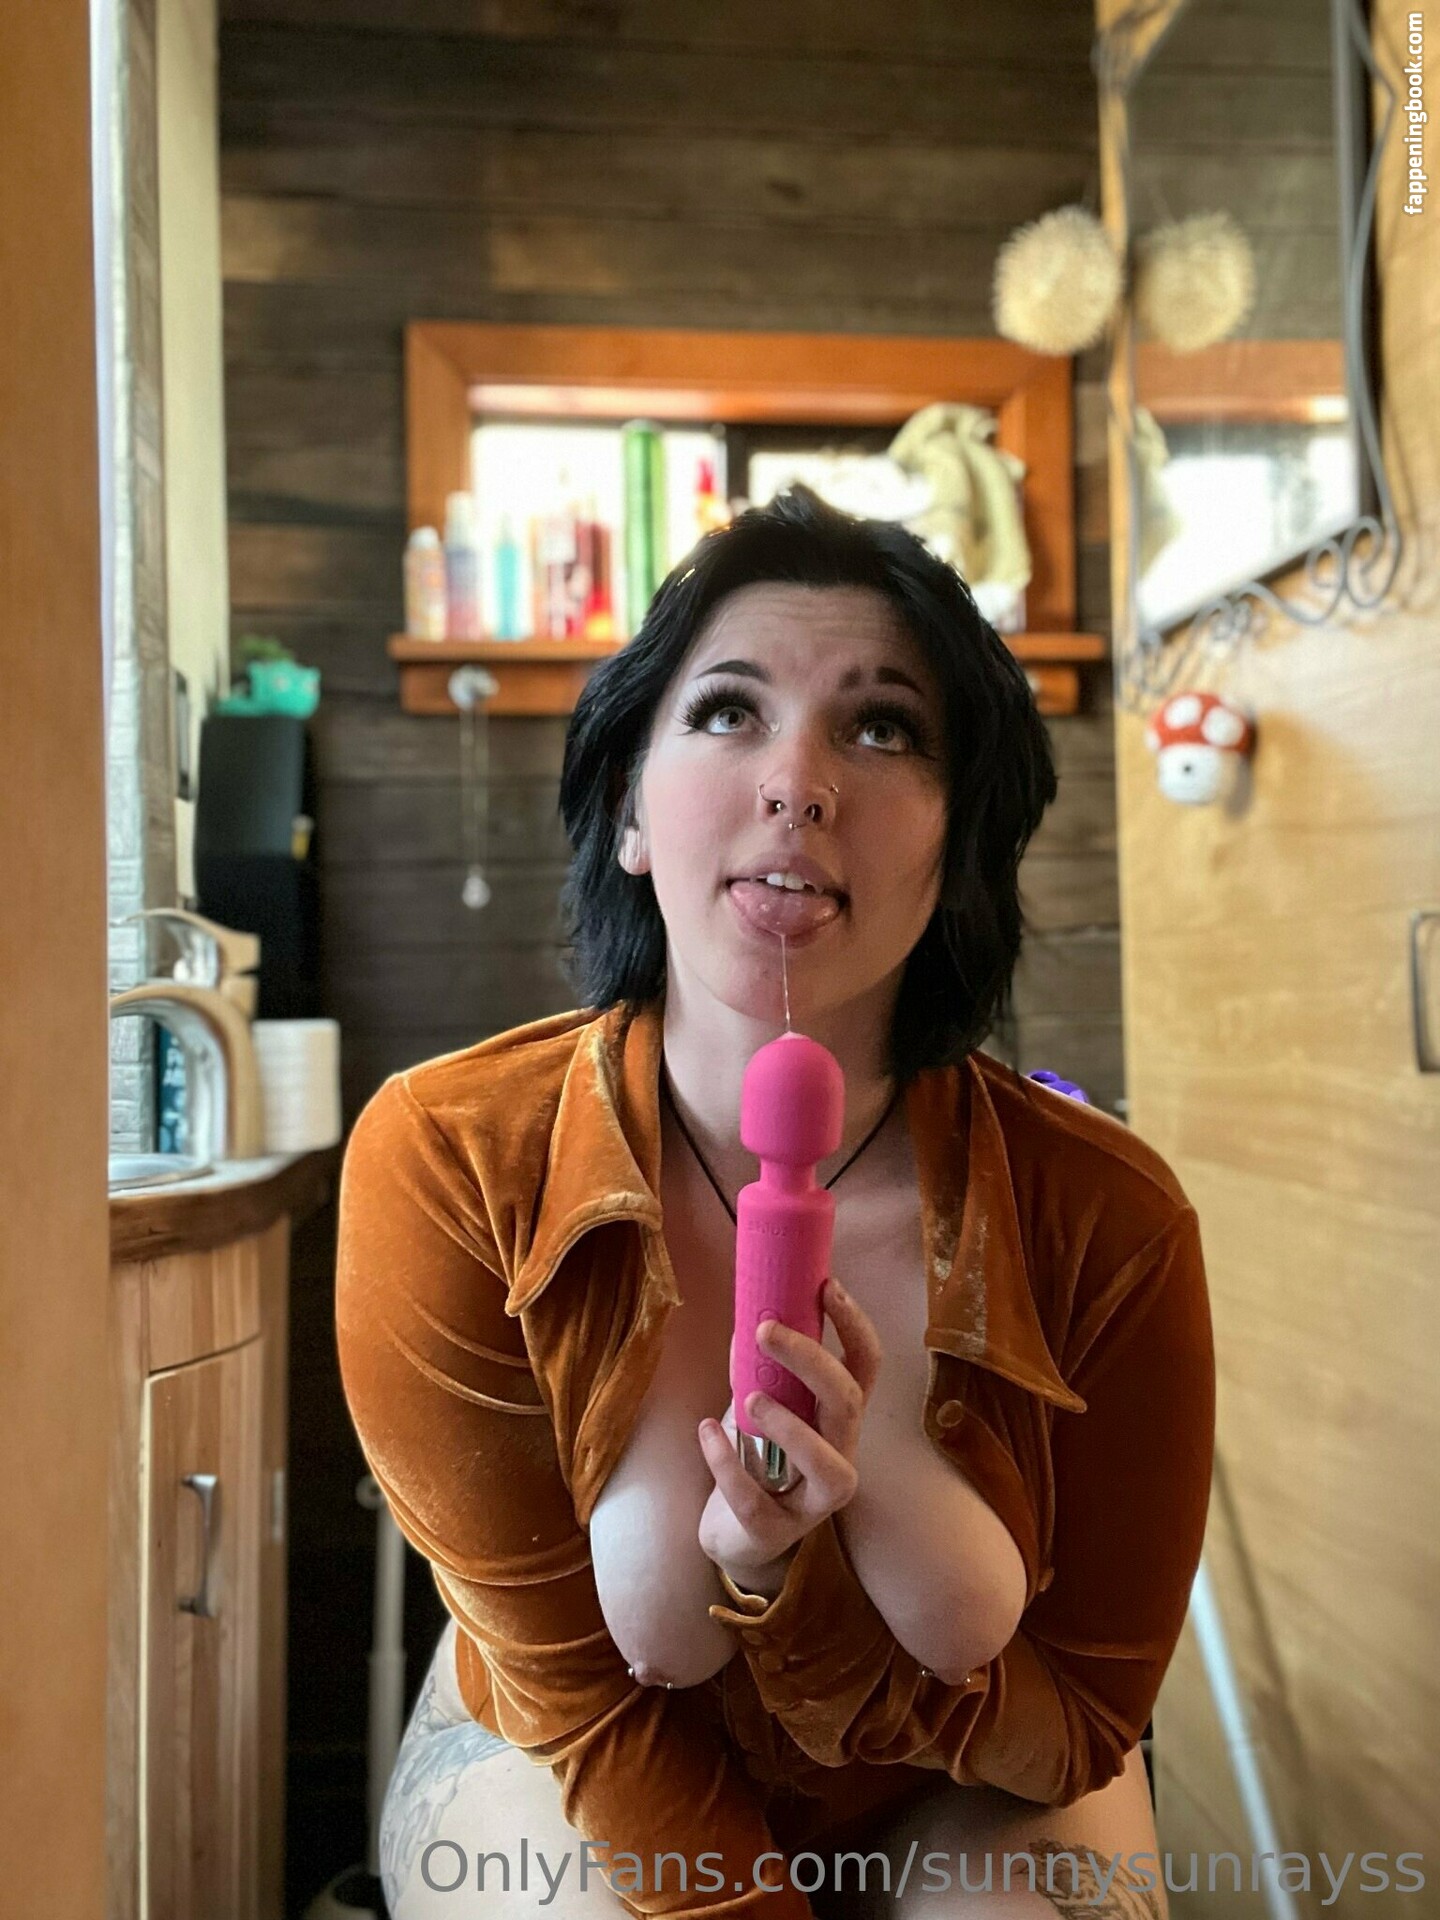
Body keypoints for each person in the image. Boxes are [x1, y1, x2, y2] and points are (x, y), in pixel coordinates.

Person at [335, 487, 1214, 1920]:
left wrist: (828, 1628)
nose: (797, 782)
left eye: (883, 728)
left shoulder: (1110, 1221)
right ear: (630, 807)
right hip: (572, 1745)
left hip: (963, 1769)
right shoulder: (452, 1159)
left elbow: (1085, 1714)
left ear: (959, 845)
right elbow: (590, 1701)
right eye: (728, 710)